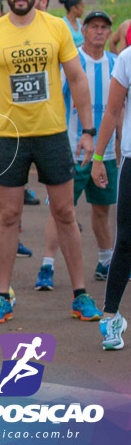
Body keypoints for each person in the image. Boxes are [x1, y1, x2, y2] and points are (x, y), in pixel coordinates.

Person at [0, 0, 104, 324]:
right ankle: (3, 295)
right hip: (9, 137)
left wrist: (89, 132)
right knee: (10, 215)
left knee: (64, 213)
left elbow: (77, 79)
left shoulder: (57, 28)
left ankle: (80, 295)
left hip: (51, 134)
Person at [38, 11, 117, 290]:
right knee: (61, 210)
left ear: (109, 32)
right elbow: (54, 99)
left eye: (103, 27)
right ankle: (47, 265)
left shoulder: (117, 63)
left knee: (103, 209)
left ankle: (105, 261)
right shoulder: (72, 62)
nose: (98, 31)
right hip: (73, 150)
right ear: (83, 30)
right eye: (93, 26)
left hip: (105, 153)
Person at [91, 29, 131, 349]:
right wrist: (98, 156)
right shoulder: (128, 58)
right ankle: (111, 316)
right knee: (127, 239)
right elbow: (112, 111)